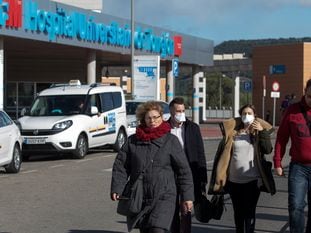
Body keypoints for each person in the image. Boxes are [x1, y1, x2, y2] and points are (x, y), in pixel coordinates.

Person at [110, 101, 194, 233]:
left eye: (156, 117)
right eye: (149, 118)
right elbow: (121, 165)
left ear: (162, 118)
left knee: (157, 229)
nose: (152, 121)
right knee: (146, 229)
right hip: (140, 195)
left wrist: (187, 197)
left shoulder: (171, 140)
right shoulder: (133, 141)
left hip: (165, 195)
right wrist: (117, 187)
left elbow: (184, 171)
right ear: (143, 119)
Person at [209, 104, 275, 233]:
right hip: (234, 181)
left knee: (249, 213)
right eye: (244, 113)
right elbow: (224, 155)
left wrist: (262, 132)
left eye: (249, 113)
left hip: (253, 181)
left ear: (255, 116)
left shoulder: (258, 132)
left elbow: (267, 150)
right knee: (238, 213)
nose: (246, 116)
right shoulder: (233, 133)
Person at [274, 79, 311, 233]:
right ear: (305, 93)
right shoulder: (292, 111)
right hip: (299, 168)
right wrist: (277, 162)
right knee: (296, 206)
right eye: (310, 96)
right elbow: (282, 137)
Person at [168, 97, 207, 233]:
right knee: (172, 210)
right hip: (170, 176)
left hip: (189, 176)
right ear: (171, 112)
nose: (181, 113)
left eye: (183, 110)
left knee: (186, 210)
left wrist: (202, 179)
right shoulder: (165, 129)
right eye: (178, 111)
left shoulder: (193, 128)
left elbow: (200, 153)